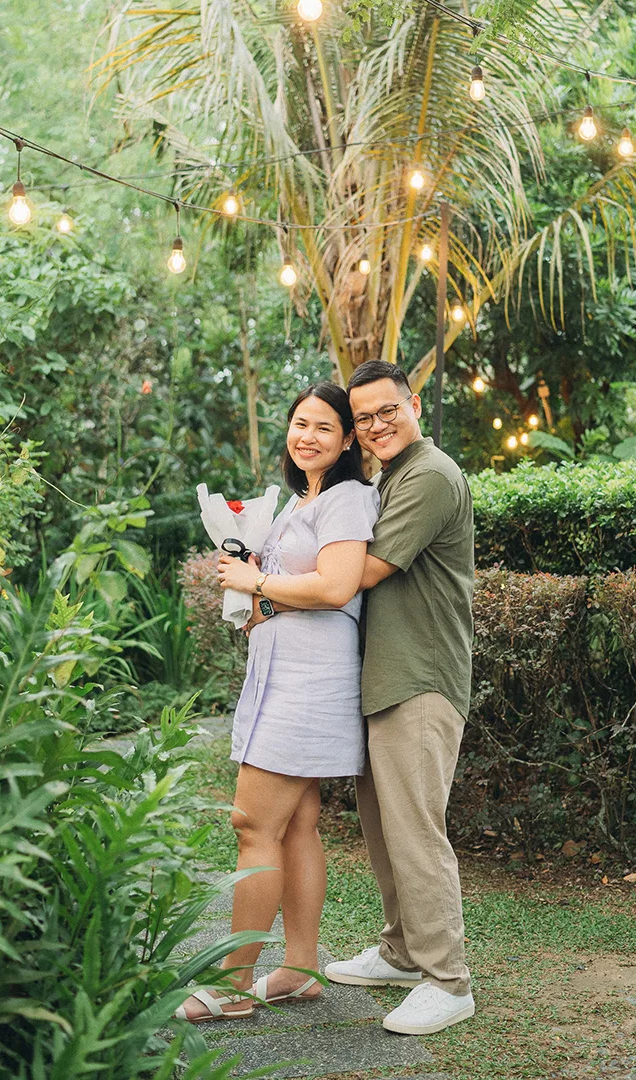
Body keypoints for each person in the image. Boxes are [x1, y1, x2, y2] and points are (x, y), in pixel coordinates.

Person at [172, 381, 379, 1023]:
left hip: (307, 680)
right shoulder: (301, 502)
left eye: (323, 426)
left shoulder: (345, 499)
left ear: (348, 439)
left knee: (252, 824)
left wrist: (257, 580)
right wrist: (256, 592)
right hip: (284, 671)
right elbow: (289, 587)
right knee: (293, 824)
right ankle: (299, 969)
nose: (305, 435)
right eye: (298, 423)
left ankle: (235, 985)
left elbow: (337, 585)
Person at [325, 359, 475, 1037]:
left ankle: (448, 980)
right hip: (386, 678)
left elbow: (368, 570)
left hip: (421, 679)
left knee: (415, 830)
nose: (377, 425)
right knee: (384, 827)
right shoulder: (388, 477)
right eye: (364, 418)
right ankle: (401, 951)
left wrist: (274, 570)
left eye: (388, 410)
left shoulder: (432, 475)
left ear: (413, 404)